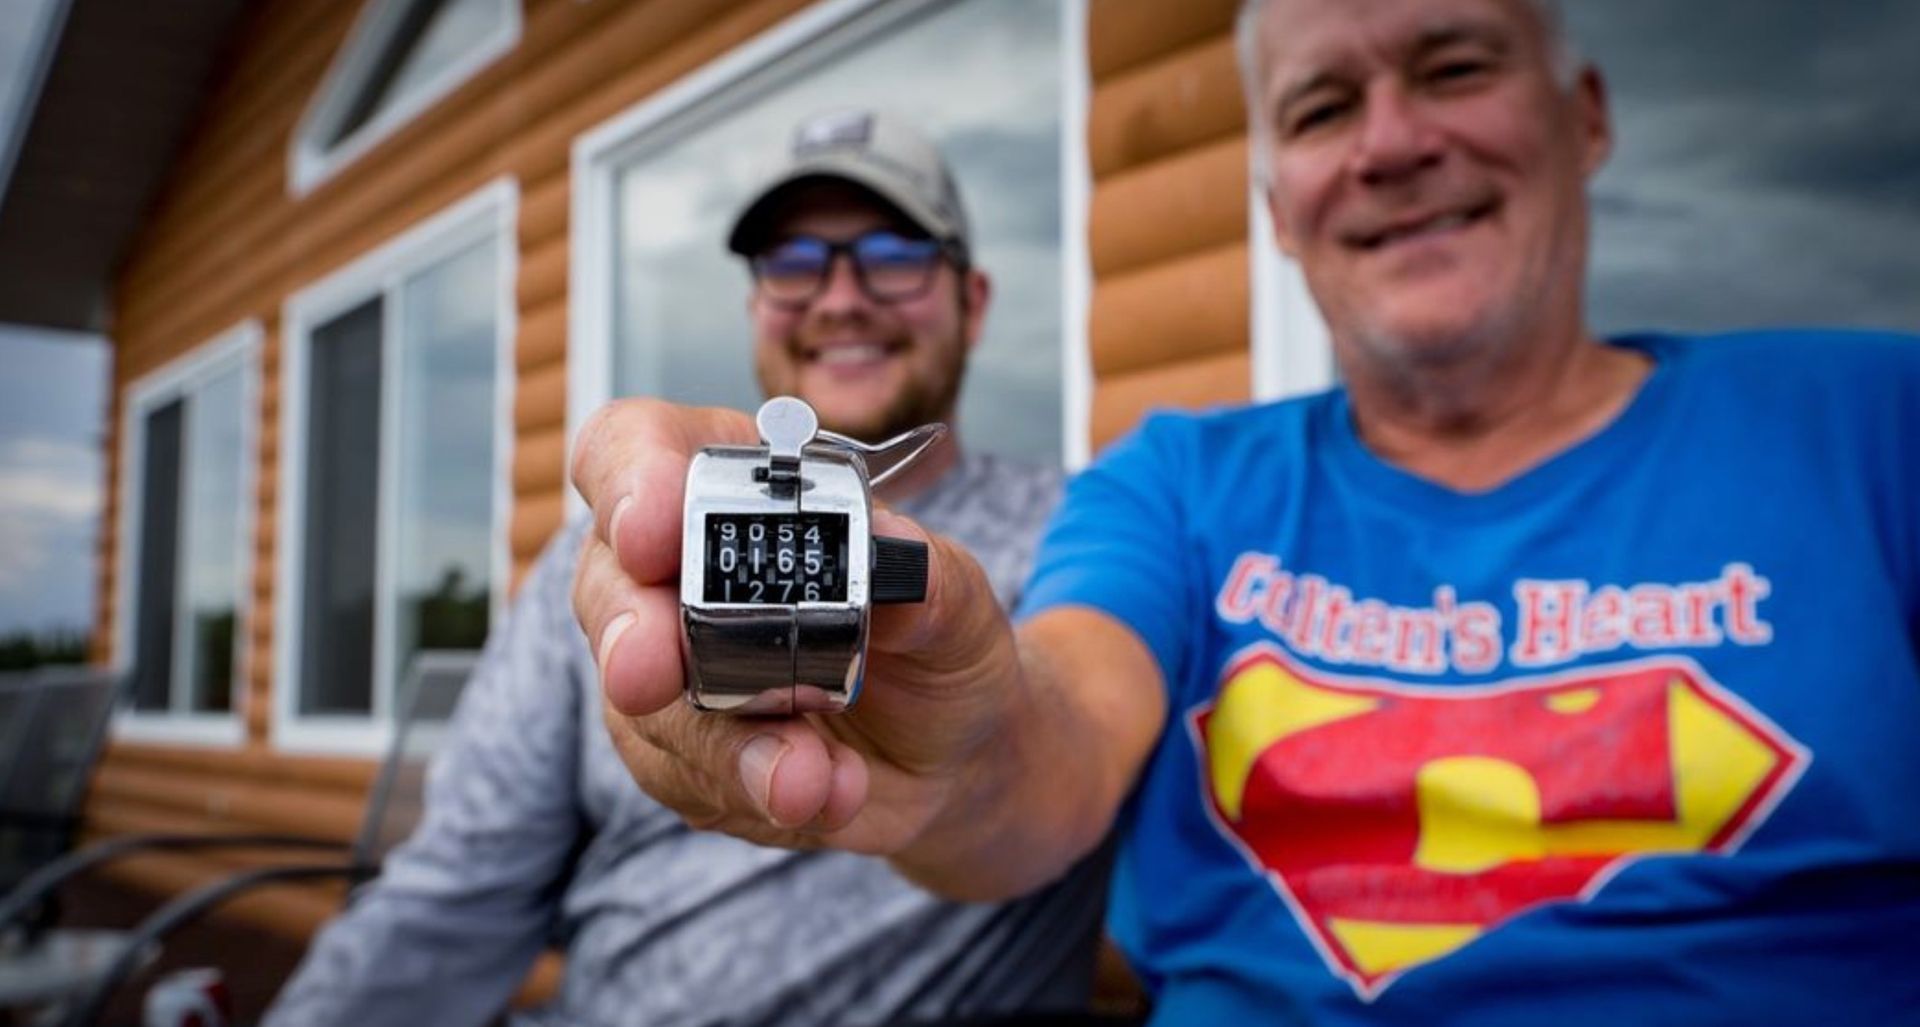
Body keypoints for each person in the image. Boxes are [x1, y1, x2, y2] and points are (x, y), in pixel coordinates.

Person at [568, 0, 1920, 1024]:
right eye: (1326, 107)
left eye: (1454, 65)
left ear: (1587, 117)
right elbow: (1058, 734)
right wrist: (950, 751)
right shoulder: (1177, 482)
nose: (1393, 143)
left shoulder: (1873, 425)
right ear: (1275, 204)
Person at [267, 110, 1111, 1027]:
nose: (838, 297)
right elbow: (453, 894)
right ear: (755, 306)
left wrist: (975, 754)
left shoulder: (1085, 531)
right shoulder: (607, 555)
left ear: (973, 299)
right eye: (791, 264)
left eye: (893, 251)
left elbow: (1072, 743)